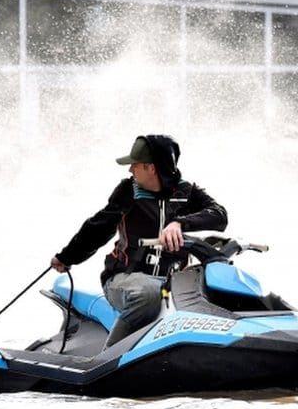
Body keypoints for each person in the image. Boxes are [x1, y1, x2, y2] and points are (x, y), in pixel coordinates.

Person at [50, 135, 228, 346]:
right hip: (125, 278)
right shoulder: (128, 192)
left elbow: (219, 215)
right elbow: (98, 227)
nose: (130, 170)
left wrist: (179, 223)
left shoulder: (187, 192)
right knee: (148, 294)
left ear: (150, 168)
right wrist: (67, 257)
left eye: (135, 164)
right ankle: (110, 356)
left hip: (175, 284)